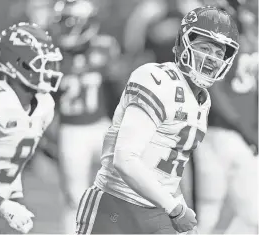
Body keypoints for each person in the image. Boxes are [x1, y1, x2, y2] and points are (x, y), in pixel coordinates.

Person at [75, 6, 240, 234]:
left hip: (158, 211)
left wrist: (178, 205)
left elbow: (167, 173)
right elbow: (125, 159)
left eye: (219, 53)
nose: (212, 59)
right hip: (117, 207)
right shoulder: (155, 79)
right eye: (204, 48)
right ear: (184, 44)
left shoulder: (203, 99)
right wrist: (175, 209)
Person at [0, 22, 63, 233]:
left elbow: (23, 139)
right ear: (18, 64)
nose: (48, 69)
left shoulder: (44, 104)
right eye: (41, 62)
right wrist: (2, 205)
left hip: (7, 203)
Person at [48, 0, 124, 233]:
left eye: (69, 23)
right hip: (71, 131)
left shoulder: (105, 47)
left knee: (122, 190)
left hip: (102, 127)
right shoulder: (53, 55)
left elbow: (118, 90)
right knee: (76, 198)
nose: (65, 28)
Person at [194, 1, 258, 234]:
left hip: (233, 131)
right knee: (225, 210)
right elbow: (214, 88)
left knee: (226, 211)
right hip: (226, 132)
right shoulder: (242, 35)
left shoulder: (241, 35)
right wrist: (245, 128)